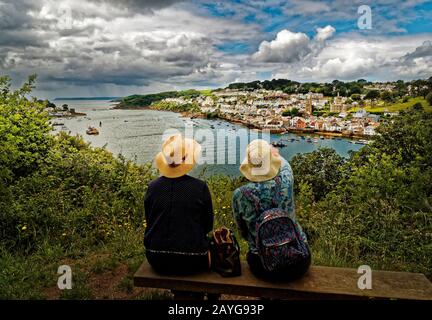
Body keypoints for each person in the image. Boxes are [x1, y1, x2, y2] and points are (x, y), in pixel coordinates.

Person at [232, 139, 311, 281]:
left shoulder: (240, 195)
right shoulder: (286, 180)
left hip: (263, 266)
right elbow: (285, 165)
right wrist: (272, 152)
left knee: (253, 254)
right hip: (299, 260)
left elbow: (242, 232)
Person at [144, 134, 213, 277]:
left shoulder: (152, 187)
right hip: (193, 258)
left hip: (156, 257)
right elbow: (208, 226)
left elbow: (150, 220)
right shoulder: (200, 187)